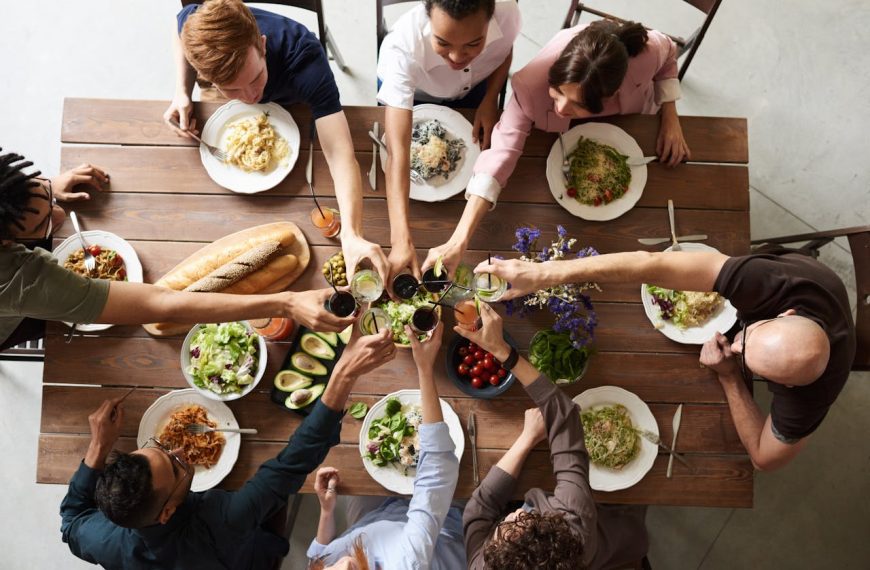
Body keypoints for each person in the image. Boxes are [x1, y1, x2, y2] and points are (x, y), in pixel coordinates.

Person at [477, 247, 856, 471]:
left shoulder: (810, 398)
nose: (735, 343)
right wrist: (546, 272)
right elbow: (649, 263)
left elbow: (763, 457)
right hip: (796, 273)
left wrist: (728, 377)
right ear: (785, 314)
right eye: (749, 336)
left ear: (787, 387)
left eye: (746, 358)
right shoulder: (771, 283)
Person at [59, 326, 397, 569]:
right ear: (166, 513)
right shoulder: (222, 523)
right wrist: (342, 375)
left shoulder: (101, 539)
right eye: (175, 468)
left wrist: (99, 448)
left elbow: (70, 520)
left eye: (159, 448)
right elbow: (293, 462)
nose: (178, 453)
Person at [0, 150, 353, 352]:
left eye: (43, 191)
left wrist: (44, 194)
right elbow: (161, 303)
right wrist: (287, 302)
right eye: (45, 225)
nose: (62, 215)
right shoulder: (22, 281)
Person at [424, 19, 691, 278]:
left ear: (609, 96)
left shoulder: (647, 54)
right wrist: (459, 239)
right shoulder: (529, 86)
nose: (561, 109)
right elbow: (500, 154)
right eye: (558, 91)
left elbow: (669, 54)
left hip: (632, 125)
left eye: (577, 104)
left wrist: (670, 114)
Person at [163, 0, 390, 289]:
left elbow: (339, 152)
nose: (250, 97)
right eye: (231, 88)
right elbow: (179, 22)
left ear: (262, 44)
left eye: (256, 77)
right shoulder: (199, 29)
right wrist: (181, 92)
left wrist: (351, 234)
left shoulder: (305, 60)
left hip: (295, 101)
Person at [458, 303, 648, 569]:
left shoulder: (485, 565)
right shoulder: (575, 525)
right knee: (629, 531)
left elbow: (477, 511)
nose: (511, 516)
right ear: (551, 529)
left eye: (500, 532)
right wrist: (503, 351)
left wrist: (526, 440)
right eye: (521, 522)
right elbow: (565, 417)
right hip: (609, 538)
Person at [377, 0, 520, 281]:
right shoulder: (401, 49)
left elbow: (505, 51)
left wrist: (490, 99)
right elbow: (398, 153)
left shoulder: (508, 13)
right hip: (418, 93)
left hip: (477, 88)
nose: (456, 56)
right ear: (427, 16)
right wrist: (400, 241)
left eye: (473, 44)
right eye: (442, 42)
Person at [306, 323, 465, 569]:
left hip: (377, 521)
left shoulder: (332, 562)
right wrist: (424, 367)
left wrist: (326, 511)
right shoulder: (407, 562)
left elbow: (317, 556)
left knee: (354, 479)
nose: (343, 566)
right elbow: (437, 474)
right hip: (446, 527)